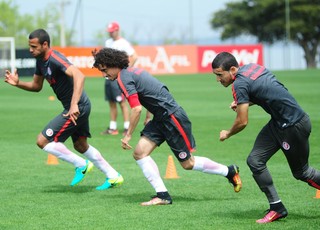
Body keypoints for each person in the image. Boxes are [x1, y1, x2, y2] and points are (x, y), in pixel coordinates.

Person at [92, 47, 242, 206]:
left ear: (113, 64)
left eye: (105, 70)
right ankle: (162, 195)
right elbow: (156, 90)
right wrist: (150, 115)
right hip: (161, 117)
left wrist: (128, 134)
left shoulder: (123, 78)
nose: (104, 75)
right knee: (139, 153)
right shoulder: (134, 71)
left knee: (188, 164)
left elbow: (136, 108)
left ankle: (229, 171)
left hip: (171, 118)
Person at [4, 29, 123, 190]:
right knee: (80, 145)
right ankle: (113, 176)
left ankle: (81, 164)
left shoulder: (55, 59)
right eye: (29, 46)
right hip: (77, 106)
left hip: (77, 106)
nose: (31, 50)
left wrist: (74, 105)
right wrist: (18, 83)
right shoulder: (40, 61)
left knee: (42, 141)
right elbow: (36, 86)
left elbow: (79, 76)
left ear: (45, 44)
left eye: (34, 46)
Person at [211, 52, 320, 224]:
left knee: (302, 172)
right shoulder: (253, 67)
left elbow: (242, 121)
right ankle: (277, 208)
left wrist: (228, 133)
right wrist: (244, 101)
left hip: (293, 126)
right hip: (278, 123)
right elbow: (270, 91)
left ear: (232, 70)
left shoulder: (239, 84)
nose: (218, 80)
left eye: (219, 75)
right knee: (255, 160)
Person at [101, 21, 138, 136]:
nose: (111, 33)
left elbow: (134, 56)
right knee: (111, 102)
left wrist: (125, 71)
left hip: (118, 78)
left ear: (117, 30)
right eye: (109, 32)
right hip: (108, 77)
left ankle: (127, 127)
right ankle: (113, 127)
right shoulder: (108, 42)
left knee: (121, 102)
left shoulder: (123, 43)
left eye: (112, 31)